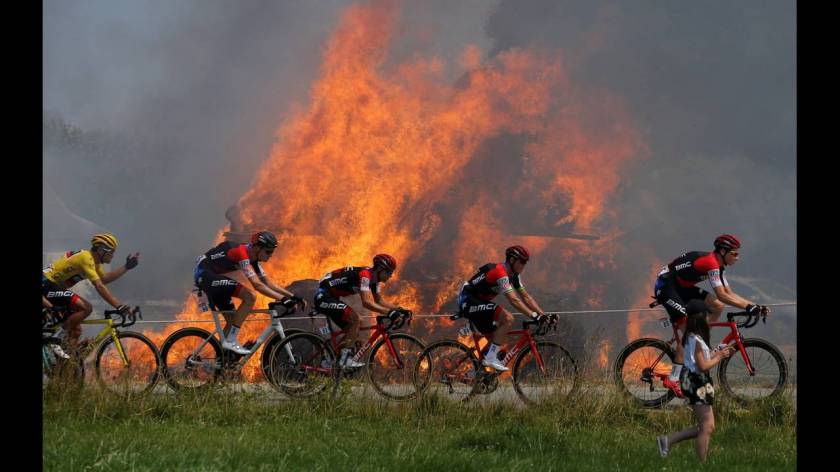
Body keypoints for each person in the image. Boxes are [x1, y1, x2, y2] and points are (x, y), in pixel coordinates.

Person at [654, 234, 770, 397]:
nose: (738, 257)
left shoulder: (719, 265)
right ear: (723, 251)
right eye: (735, 253)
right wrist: (749, 307)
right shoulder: (711, 263)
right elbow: (722, 294)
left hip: (682, 286)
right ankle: (673, 379)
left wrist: (754, 306)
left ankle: (700, 341)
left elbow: (729, 294)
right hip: (666, 286)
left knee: (717, 306)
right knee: (690, 334)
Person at [194, 231, 305, 355]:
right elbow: (257, 285)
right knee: (250, 296)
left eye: (272, 252)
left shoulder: (253, 259)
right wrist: (283, 299)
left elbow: (267, 283)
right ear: (257, 248)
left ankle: (222, 361)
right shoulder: (242, 253)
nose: (271, 255)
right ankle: (231, 340)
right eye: (268, 252)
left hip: (212, 278)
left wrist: (292, 296)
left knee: (232, 322)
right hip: (205, 274)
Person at [657, 300, 735, 461]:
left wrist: (718, 352)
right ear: (699, 318)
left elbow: (702, 360)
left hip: (697, 382)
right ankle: (701, 464)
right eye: (706, 315)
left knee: (706, 426)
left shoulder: (694, 338)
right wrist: (719, 357)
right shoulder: (696, 340)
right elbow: (703, 366)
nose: (708, 318)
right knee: (707, 427)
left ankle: (667, 441)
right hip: (696, 383)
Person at [457, 245, 553, 371]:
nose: (524, 266)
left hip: (479, 302)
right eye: (522, 262)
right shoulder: (500, 272)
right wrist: (534, 316)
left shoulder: (514, 276)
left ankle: (475, 374)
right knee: (508, 318)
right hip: (468, 300)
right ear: (512, 260)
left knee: (495, 340)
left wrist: (543, 315)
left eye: (526, 263)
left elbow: (526, 297)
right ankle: (490, 359)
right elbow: (514, 300)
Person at [42, 233, 139, 354]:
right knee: (86, 308)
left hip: (53, 287)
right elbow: (99, 286)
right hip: (46, 284)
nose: (113, 255)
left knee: (75, 330)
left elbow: (103, 279)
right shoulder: (86, 258)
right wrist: (120, 306)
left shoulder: (94, 262)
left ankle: (66, 367)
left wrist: (126, 267)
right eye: (111, 252)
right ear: (100, 250)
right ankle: (56, 338)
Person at [314, 254, 411, 368]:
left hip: (332, 297)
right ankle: (344, 360)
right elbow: (366, 302)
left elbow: (379, 301)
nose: (390, 275)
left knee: (352, 328)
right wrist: (389, 313)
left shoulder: (374, 280)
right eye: (389, 272)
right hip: (323, 296)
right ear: (380, 269)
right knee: (355, 320)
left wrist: (399, 309)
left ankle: (331, 362)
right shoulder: (365, 275)